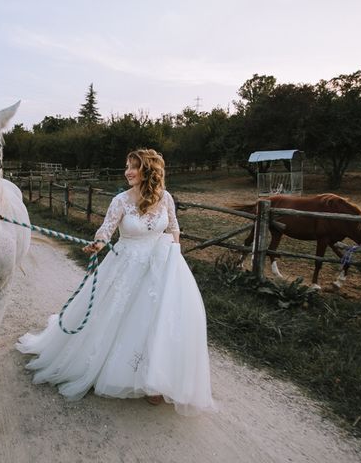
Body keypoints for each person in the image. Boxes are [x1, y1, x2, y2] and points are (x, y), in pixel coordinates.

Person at [17, 149, 214, 415]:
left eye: (134, 167)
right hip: (126, 264)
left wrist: (174, 255)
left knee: (158, 319)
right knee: (120, 318)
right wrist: (97, 245)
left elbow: (174, 228)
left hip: (160, 266)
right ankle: (117, 371)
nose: (128, 172)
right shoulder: (120, 201)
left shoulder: (166, 198)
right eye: (126, 166)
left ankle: (154, 379)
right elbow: (106, 231)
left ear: (149, 171)